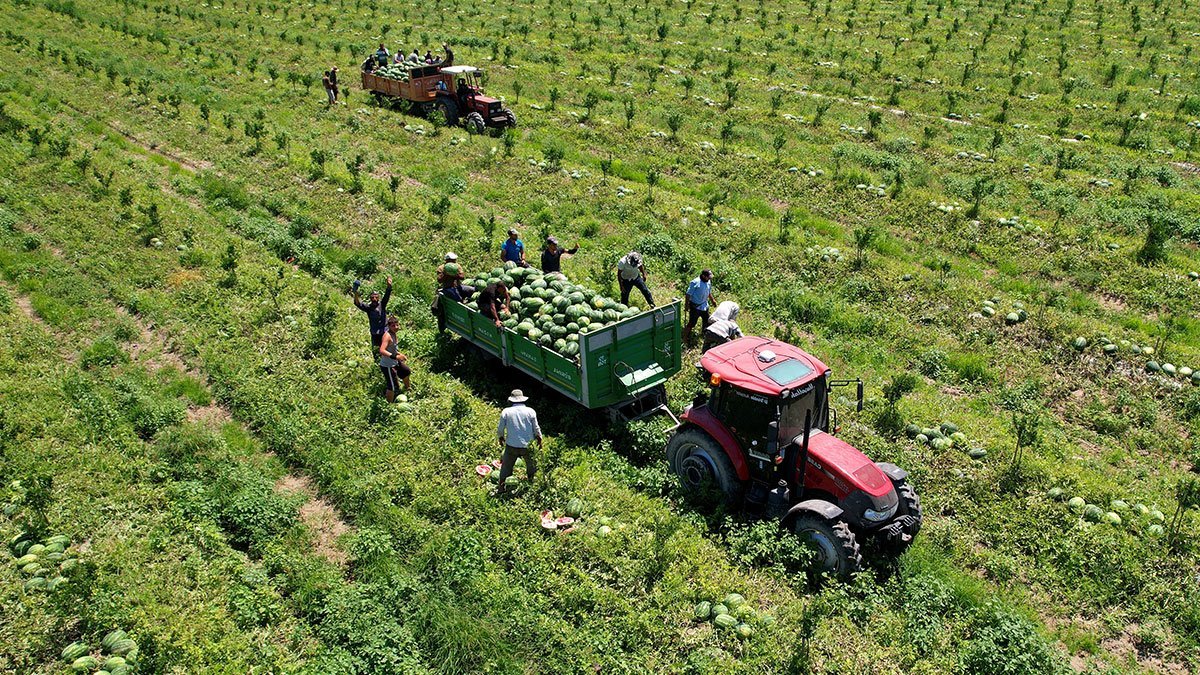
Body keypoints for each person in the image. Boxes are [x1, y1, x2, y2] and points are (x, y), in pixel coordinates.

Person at [495, 389, 541, 494]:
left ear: (511, 400)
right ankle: (530, 485)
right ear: (522, 400)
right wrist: (539, 440)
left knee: (506, 466)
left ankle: (501, 488)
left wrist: (501, 437)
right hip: (528, 446)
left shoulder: (506, 411)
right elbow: (536, 428)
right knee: (531, 465)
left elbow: (500, 428)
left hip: (511, 446)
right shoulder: (530, 411)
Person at [353, 276, 392, 350]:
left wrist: (389, 286)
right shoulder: (368, 308)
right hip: (375, 333)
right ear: (370, 298)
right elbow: (357, 303)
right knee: (376, 351)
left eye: (376, 297)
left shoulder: (382, 305)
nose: (374, 299)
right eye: (372, 297)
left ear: (378, 298)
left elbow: (387, 295)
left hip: (384, 332)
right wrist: (356, 294)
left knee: (388, 350)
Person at [378, 316, 411, 402]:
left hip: (395, 361)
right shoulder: (387, 336)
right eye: (393, 326)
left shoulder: (394, 334)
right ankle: (389, 405)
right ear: (388, 326)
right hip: (387, 365)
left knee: (406, 371)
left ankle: (408, 389)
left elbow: (393, 349)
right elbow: (382, 350)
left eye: (397, 325)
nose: (396, 327)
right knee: (391, 386)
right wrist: (395, 356)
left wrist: (400, 354)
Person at [684, 269, 714, 346]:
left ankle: (704, 333)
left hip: (704, 305)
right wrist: (687, 306)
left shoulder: (708, 282)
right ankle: (685, 338)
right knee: (692, 323)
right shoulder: (695, 282)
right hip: (695, 307)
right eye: (708, 277)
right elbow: (688, 294)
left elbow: (708, 291)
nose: (709, 279)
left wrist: (712, 300)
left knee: (707, 321)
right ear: (704, 276)